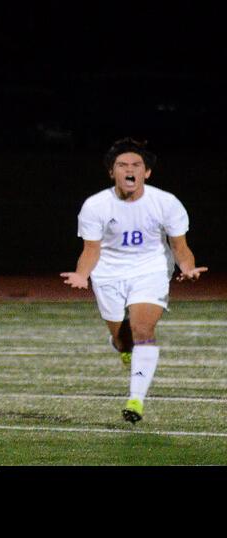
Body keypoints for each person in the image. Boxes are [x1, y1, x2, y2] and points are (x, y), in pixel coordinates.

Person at [61, 138, 206, 423]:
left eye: (136, 165)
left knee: (142, 329)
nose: (130, 170)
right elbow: (91, 250)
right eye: (122, 165)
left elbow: (179, 246)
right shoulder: (95, 206)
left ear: (146, 172)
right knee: (123, 340)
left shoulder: (166, 202)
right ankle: (122, 347)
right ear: (111, 172)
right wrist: (82, 274)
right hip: (109, 273)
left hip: (150, 270)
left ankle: (136, 399)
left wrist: (187, 267)